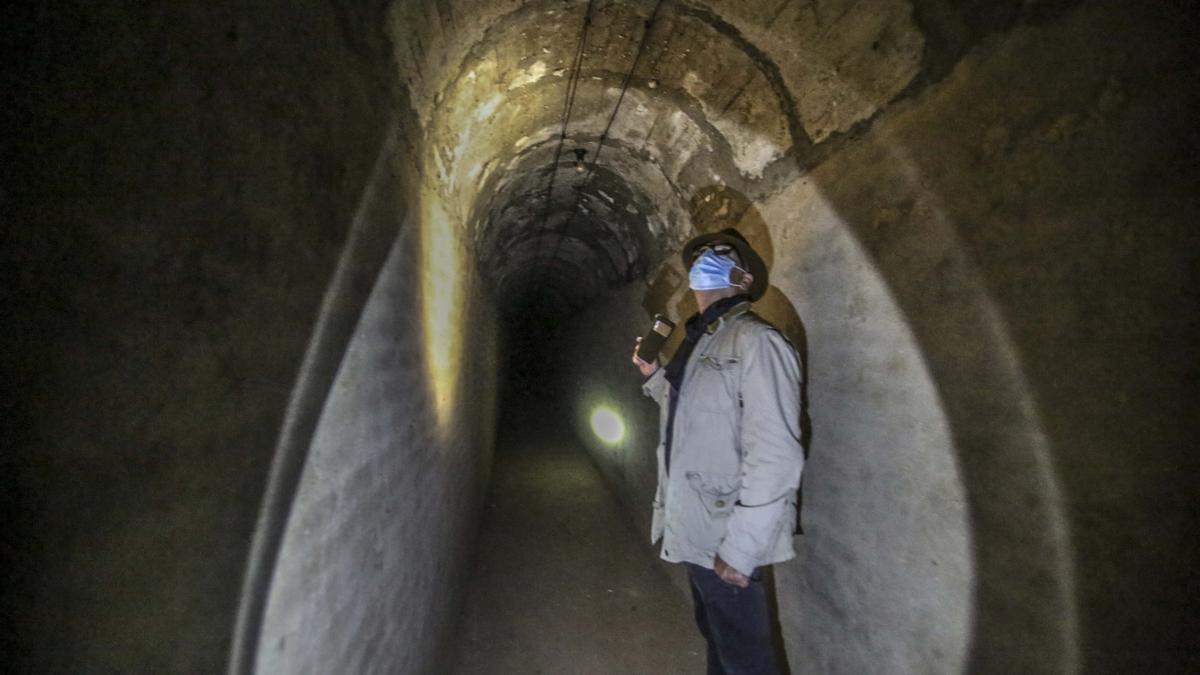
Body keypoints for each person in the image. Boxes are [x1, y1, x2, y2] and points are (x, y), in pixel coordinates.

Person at [632, 228, 803, 675]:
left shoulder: (756, 342)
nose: (704, 259)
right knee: (719, 641)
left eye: (719, 254)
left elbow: (778, 454)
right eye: (701, 255)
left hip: (725, 536)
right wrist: (655, 375)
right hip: (693, 526)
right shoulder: (702, 340)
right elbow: (690, 417)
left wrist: (742, 551)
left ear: (743, 279)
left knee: (747, 661)